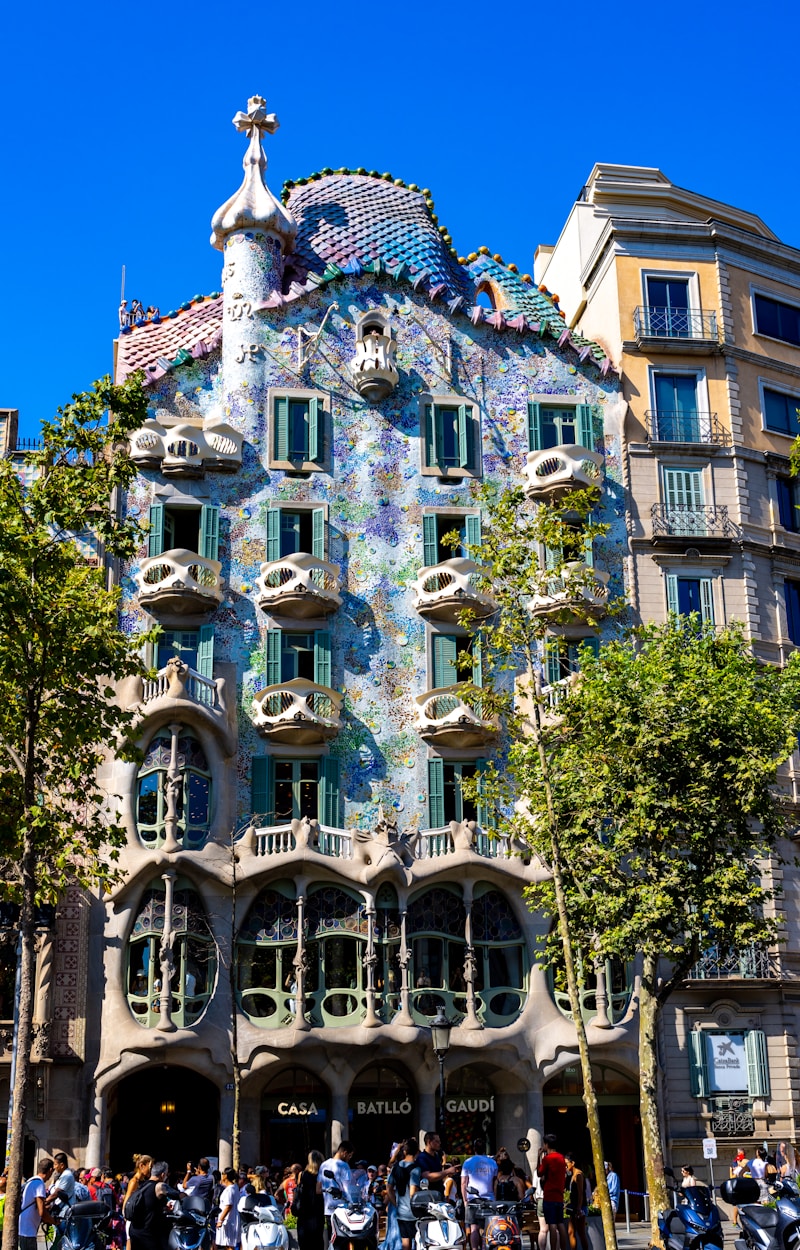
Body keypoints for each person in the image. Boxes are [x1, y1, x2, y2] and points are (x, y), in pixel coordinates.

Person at [461, 1137, 498, 1250]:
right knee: (487, 1227)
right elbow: (495, 1181)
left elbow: (463, 1183)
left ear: (474, 1149)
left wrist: (465, 1200)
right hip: (489, 1199)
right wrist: (494, 1197)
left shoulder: (468, 1162)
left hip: (473, 1199)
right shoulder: (492, 1162)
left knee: (473, 1228)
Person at [129, 1160, 171, 1250]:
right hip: (148, 1234)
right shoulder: (159, 1186)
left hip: (135, 1230)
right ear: (163, 1175)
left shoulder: (142, 1185)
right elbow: (177, 1195)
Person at [387, 1139, 420, 1250]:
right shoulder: (415, 1169)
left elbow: (389, 1188)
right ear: (417, 1152)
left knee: (405, 1242)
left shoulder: (396, 1167)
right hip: (413, 1212)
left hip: (401, 1210)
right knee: (418, 1241)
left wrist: (395, 1203)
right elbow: (413, 1192)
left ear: (404, 1152)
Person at [537, 1137, 567, 1250]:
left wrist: (538, 1157)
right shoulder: (561, 1158)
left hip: (549, 1195)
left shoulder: (547, 1159)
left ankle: (554, 1248)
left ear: (546, 1144)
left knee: (552, 1225)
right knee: (560, 1223)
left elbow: (539, 1173)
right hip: (559, 1195)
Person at [20, 1158, 55, 1250]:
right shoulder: (39, 1184)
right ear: (50, 1170)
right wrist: (54, 1222)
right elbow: (42, 1212)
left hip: (23, 1227)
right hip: (28, 1230)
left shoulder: (30, 1181)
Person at [320, 1140, 353, 1238]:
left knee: (332, 1236)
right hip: (342, 1208)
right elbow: (347, 1188)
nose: (349, 1158)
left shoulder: (324, 1164)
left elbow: (320, 1185)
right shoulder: (344, 1166)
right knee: (344, 1237)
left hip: (327, 1208)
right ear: (345, 1153)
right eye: (349, 1156)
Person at [294, 1150, 324, 1250]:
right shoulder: (322, 1176)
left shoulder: (302, 1175)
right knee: (318, 1242)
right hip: (317, 1213)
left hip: (304, 1214)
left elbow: (298, 1193)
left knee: (304, 1244)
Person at [564, 1154, 588, 1250]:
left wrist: (579, 1207)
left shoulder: (578, 1174)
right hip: (574, 1206)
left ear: (572, 1163)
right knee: (571, 1231)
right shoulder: (572, 1175)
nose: (565, 1167)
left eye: (566, 1164)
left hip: (579, 1206)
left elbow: (581, 1192)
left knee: (581, 1232)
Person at [215, 1167, 241, 1250]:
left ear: (225, 1176)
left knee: (229, 1244)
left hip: (229, 1220)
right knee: (228, 1244)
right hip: (231, 1219)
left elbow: (228, 1206)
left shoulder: (230, 1190)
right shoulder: (235, 1187)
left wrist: (220, 1220)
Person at [46, 1151, 77, 1219]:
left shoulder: (67, 1176)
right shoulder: (62, 1175)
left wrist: (45, 1202)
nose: (54, 1167)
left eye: (55, 1164)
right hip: (60, 1209)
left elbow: (56, 1193)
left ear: (62, 1165)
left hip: (64, 1210)